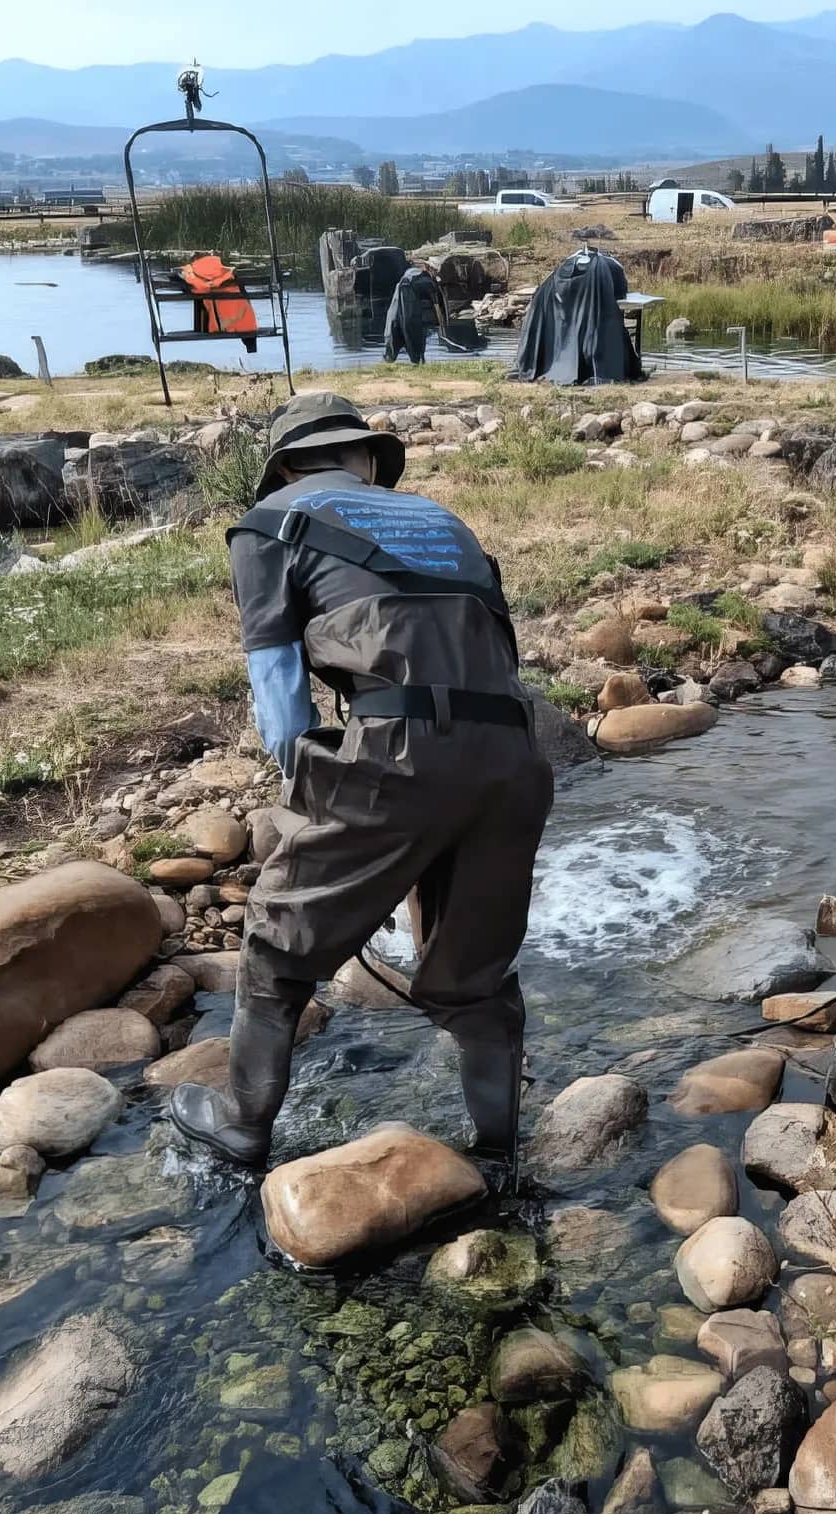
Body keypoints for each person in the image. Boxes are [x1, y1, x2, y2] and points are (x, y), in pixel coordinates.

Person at [169, 392, 553, 1185]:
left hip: (395, 749)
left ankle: (241, 1129)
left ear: (283, 466)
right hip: (514, 754)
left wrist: (305, 787)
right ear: (369, 458)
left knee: (278, 950)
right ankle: (497, 1151)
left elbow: (280, 700)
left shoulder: (269, 523)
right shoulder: (446, 524)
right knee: (474, 977)